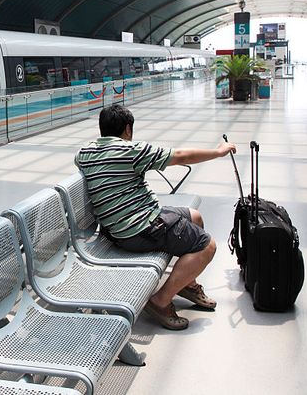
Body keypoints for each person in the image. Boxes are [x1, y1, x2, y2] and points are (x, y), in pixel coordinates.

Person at [75, 104, 237, 330]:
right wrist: (219, 151)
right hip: (139, 229)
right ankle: (159, 301)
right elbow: (181, 156)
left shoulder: (85, 153)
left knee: (195, 217)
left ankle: (186, 283)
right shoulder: (131, 151)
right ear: (128, 129)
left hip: (121, 226)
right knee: (207, 246)